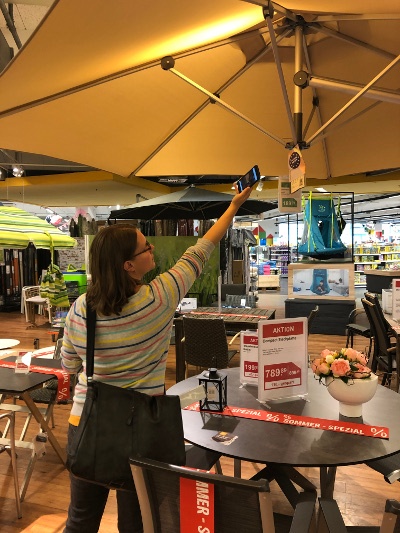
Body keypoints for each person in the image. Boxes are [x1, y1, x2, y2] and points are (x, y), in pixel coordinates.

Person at [61, 185, 253, 533]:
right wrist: (233, 206)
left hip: (87, 422)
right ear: (129, 265)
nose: (152, 248)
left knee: (81, 519)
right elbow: (202, 248)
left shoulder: (80, 309)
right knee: (137, 521)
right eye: (145, 246)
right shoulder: (162, 297)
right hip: (142, 429)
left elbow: (69, 363)